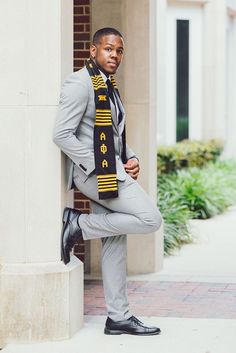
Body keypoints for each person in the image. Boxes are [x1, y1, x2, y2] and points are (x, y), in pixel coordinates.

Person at [53, 27, 163, 336]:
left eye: (119, 51)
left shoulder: (107, 85)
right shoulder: (80, 83)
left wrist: (132, 156)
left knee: (115, 243)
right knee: (150, 218)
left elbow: (112, 135)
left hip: (110, 170)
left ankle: (119, 317)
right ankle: (78, 226)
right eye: (108, 49)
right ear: (93, 51)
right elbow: (61, 134)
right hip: (95, 175)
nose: (114, 55)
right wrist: (100, 166)